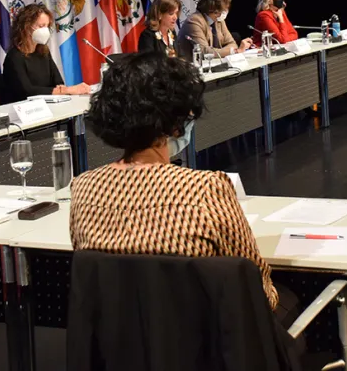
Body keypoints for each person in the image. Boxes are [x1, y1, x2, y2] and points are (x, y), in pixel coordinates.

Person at [70, 52, 299, 327]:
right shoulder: (204, 189)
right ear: (176, 122)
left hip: (122, 345)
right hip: (208, 348)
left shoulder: (83, 189)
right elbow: (258, 294)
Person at [0, 3, 90, 104]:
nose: (45, 30)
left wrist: (63, 90)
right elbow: (27, 91)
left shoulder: (43, 51)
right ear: (26, 27)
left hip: (48, 107)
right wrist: (67, 90)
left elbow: (58, 83)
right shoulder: (14, 57)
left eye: (47, 26)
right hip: (26, 111)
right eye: (41, 26)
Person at [177, 0, 253, 62]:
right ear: (212, 9)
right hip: (191, 68)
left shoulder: (219, 20)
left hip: (213, 65)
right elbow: (205, 51)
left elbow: (232, 43)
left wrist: (232, 50)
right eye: (223, 9)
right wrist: (233, 51)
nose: (225, 12)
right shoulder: (194, 21)